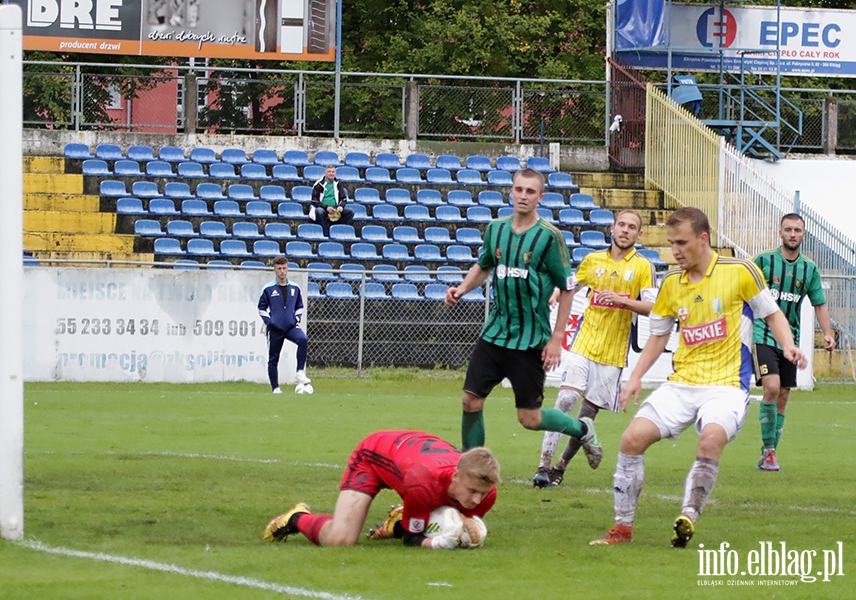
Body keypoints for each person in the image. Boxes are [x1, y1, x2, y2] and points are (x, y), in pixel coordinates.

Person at [591, 207, 807, 548]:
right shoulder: (672, 284)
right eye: (671, 243)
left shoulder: (740, 272)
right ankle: (622, 528)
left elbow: (772, 313)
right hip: (682, 383)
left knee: (710, 440)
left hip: (726, 386)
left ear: (703, 239)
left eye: (682, 242)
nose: (675, 250)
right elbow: (659, 336)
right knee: (631, 439)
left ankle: (688, 516)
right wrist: (635, 377)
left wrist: (790, 345)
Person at [444, 168, 602, 469]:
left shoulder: (548, 237)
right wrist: (462, 288)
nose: (523, 195)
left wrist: (556, 339)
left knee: (530, 418)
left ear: (540, 197)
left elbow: (566, 288)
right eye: (519, 189)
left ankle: (582, 429)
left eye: (530, 191)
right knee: (470, 401)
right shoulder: (496, 229)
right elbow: (484, 265)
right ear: (511, 192)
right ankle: (471, 466)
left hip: (530, 340)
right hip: (495, 333)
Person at [532, 209, 657, 488]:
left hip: (612, 355)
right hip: (583, 344)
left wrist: (623, 301)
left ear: (639, 234)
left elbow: (652, 307)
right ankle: (542, 466)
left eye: (632, 227)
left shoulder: (643, 267)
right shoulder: (592, 260)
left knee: (586, 417)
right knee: (565, 401)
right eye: (621, 224)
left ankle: (560, 468)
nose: (625, 230)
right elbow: (572, 284)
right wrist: (556, 292)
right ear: (612, 228)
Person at [263, 430, 499, 549]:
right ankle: (296, 518)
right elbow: (413, 539)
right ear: (457, 476)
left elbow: (453, 523)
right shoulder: (423, 483)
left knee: (438, 511)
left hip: (410, 459)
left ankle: (399, 520)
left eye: (482, 493)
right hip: (373, 456)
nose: (477, 500)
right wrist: (440, 544)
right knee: (340, 540)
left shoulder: (486, 493)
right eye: (472, 491)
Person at [752, 213, 836, 472]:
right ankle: (769, 453)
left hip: (791, 341)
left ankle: (770, 452)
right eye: (788, 229)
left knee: (783, 396)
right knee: (773, 387)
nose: (792, 234)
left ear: (803, 235)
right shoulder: (764, 261)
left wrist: (828, 333)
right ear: (780, 233)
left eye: (797, 230)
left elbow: (819, 303)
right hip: (762, 336)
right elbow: (743, 291)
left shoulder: (808, 269)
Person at [257, 255, 310, 393]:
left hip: (291, 326)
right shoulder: (268, 289)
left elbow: (300, 306)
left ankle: (299, 372)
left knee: (303, 339)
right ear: (274, 269)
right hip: (275, 329)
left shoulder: (295, 288)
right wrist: (270, 322)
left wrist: (296, 319)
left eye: (284, 268)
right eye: (279, 268)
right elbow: (261, 308)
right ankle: (275, 388)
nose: (282, 271)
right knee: (273, 358)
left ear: (287, 269)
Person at [310, 164, 354, 236]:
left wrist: (341, 206)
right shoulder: (319, 184)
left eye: (333, 172)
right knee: (319, 211)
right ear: (325, 173)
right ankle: (326, 233)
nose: (331, 173)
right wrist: (326, 207)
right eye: (329, 172)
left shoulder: (338, 184)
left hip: (335, 209)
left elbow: (344, 198)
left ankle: (339, 231)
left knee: (350, 212)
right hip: (323, 209)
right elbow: (314, 201)